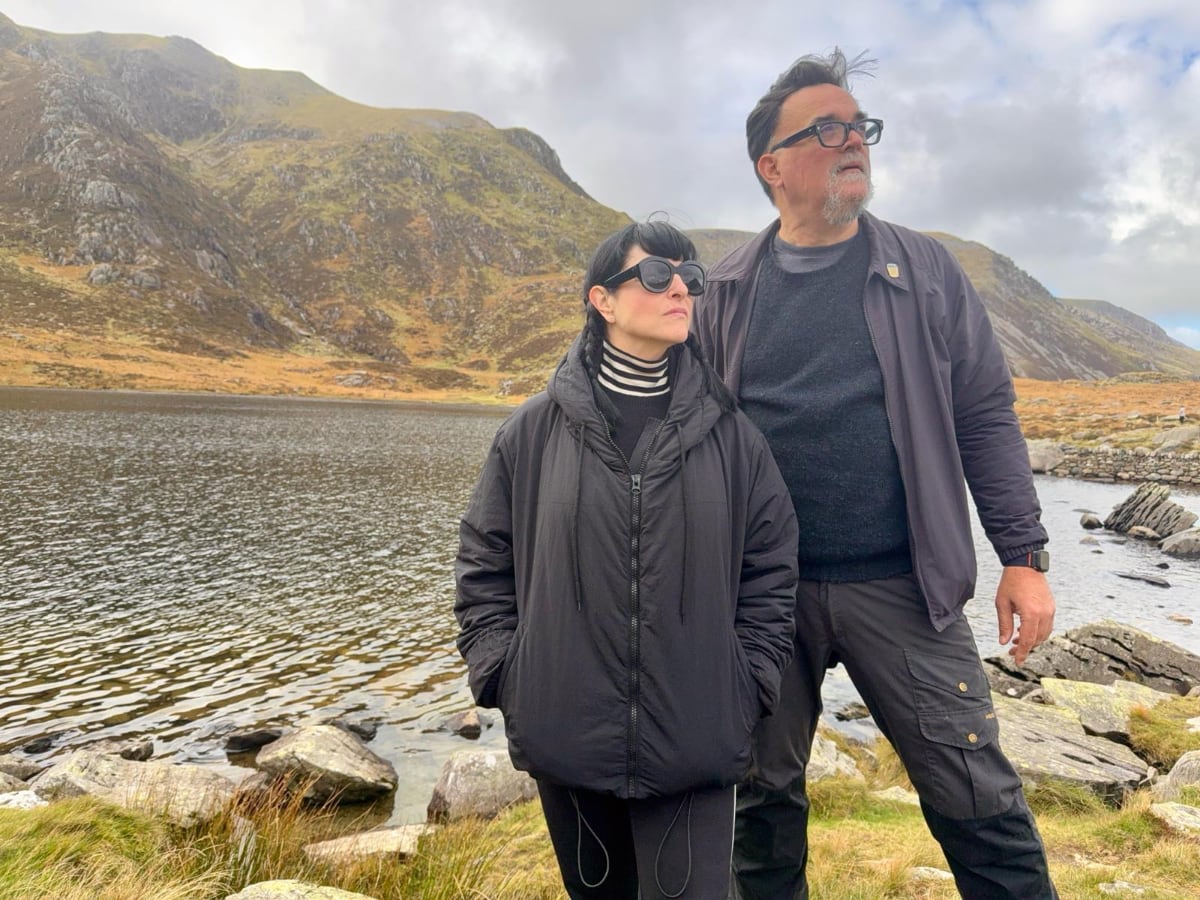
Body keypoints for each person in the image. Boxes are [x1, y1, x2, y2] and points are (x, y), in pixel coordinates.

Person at [692, 50, 1059, 899]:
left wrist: (1024, 556)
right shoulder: (726, 291)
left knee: (978, 796)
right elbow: (689, 442)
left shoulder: (926, 271)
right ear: (772, 166)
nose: (853, 142)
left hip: (904, 587)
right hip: (760, 596)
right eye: (828, 129)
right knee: (760, 803)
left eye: (861, 128)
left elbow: (985, 414)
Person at [455, 220, 800, 899]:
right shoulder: (531, 433)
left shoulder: (734, 439)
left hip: (698, 735)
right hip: (566, 736)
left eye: (689, 279)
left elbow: (771, 570)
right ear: (602, 301)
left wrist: (749, 680)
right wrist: (504, 672)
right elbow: (484, 563)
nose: (680, 289)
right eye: (654, 275)